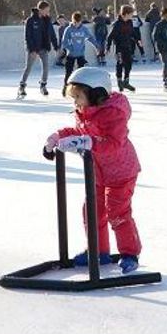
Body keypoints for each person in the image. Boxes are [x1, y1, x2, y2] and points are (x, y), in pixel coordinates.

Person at [43, 67, 142, 274]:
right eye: (73, 98)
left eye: (78, 96)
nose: (75, 102)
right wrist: (56, 137)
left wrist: (86, 141)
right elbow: (80, 132)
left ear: (97, 94)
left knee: (118, 213)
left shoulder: (113, 115)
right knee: (91, 213)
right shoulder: (86, 112)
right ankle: (99, 251)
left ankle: (130, 253)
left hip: (121, 173)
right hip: (97, 174)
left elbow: (114, 142)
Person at [18, 1, 58, 98]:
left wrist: (56, 46)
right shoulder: (31, 20)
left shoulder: (47, 20)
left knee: (46, 66)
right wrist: (32, 49)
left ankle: (43, 85)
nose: (48, 12)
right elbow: (28, 36)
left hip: (44, 47)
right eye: (46, 10)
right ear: (41, 9)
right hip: (33, 48)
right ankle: (22, 86)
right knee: (29, 67)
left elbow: (52, 34)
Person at [60, 12, 98, 96]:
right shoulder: (69, 29)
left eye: (78, 22)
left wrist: (96, 47)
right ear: (72, 21)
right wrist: (70, 48)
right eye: (74, 22)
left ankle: (80, 89)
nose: (76, 24)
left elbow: (90, 38)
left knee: (81, 73)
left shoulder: (84, 29)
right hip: (70, 55)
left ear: (80, 21)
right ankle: (65, 88)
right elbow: (64, 42)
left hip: (81, 54)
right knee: (68, 72)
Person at [107, 4, 137, 92]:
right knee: (120, 63)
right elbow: (110, 36)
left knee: (129, 64)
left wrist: (138, 39)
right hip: (119, 47)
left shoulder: (130, 22)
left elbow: (133, 32)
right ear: (126, 14)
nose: (132, 15)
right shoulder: (117, 24)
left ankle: (126, 81)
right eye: (131, 13)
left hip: (128, 46)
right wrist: (108, 46)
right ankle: (119, 81)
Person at [153, 8, 167, 91]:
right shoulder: (159, 25)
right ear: (162, 16)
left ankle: (166, 78)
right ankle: (166, 80)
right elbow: (155, 36)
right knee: (165, 63)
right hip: (162, 48)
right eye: (165, 16)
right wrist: (160, 45)